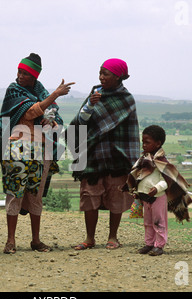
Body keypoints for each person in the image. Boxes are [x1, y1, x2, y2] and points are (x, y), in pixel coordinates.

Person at [0, 53, 74, 254]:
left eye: (25, 73)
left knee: (36, 195)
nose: (20, 76)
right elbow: (31, 112)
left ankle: (36, 240)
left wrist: (52, 121)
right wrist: (55, 95)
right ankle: (10, 240)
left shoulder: (42, 93)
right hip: (18, 148)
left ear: (35, 77)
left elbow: (56, 120)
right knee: (15, 193)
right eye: (19, 71)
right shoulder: (14, 91)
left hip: (42, 150)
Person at [69, 58, 140, 250]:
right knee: (90, 195)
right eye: (100, 73)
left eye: (105, 74)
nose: (101, 77)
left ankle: (113, 237)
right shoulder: (94, 95)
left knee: (116, 196)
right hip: (93, 154)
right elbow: (79, 122)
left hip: (118, 157)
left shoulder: (127, 99)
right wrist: (90, 106)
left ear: (118, 77)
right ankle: (89, 238)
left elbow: (126, 130)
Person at [123, 125, 192, 256]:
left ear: (158, 143)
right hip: (145, 197)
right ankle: (149, 244)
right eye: (143, 142)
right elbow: (138, 175)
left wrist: (157, 188)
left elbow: (167, 180)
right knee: (148, 222)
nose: (144, 145)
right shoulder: (143, 159)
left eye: (147, 142)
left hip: (158, 197)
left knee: (159, 222)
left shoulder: (161, 162)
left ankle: (159, 245)